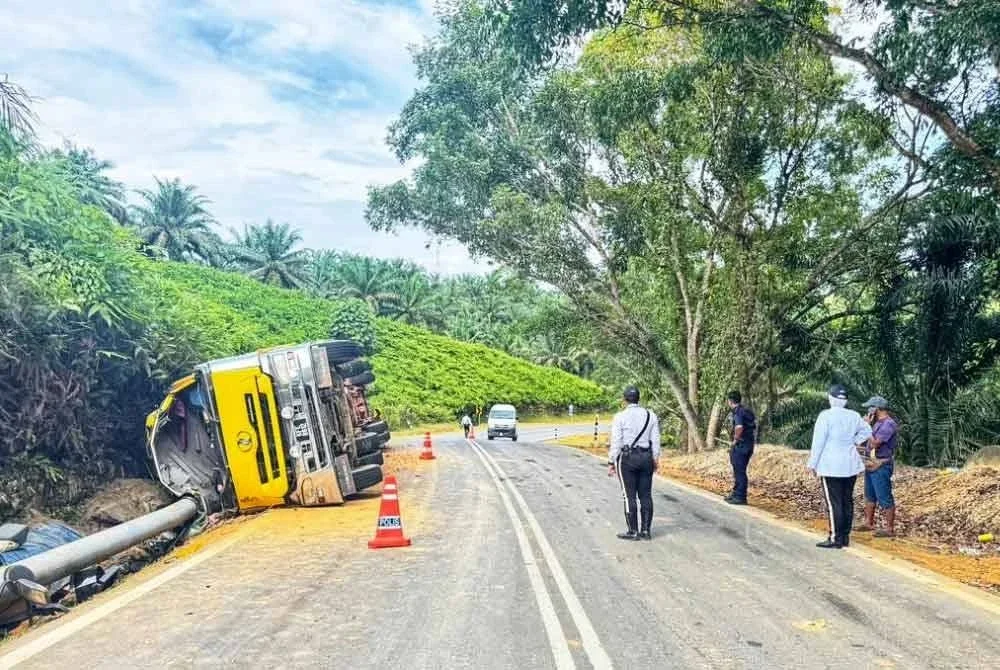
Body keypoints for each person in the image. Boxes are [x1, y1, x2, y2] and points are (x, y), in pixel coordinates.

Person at [807, 384, 872, 549]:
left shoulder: (826, 416)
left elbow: (818, 442)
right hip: (850, 463)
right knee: (846, 500)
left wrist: (812, 463)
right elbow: (867, 430)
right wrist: (854, 441)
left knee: (834, 502)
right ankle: (844, 537)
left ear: (831, 398)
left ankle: (835, 537)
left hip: (831, 465)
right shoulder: (854, 415)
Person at [607, 386, 661, 541]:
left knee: (629, 495)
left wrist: (611, 461)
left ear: (624, 400)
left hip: (628, 459)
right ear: (639, 398)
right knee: (646, 495)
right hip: (646, 457)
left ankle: (633, 531)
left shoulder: (620, 417)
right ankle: (646, 531)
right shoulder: (651, 415)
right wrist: (655, 458)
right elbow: (656, 440)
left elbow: (616, 441)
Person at [858, 395, 899, 537]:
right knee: (869, 494)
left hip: (882, 465)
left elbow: (875, 443)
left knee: (884, 495)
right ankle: (868, 522)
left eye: (871, 408)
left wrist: (866, 426)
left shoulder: (888, 424)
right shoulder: (877, 423)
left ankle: (889, 529)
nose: (869, 410)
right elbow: (869, 444)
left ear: (877, 409)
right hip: (872, 463)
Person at [725, 390, 756, 505]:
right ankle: (736, 493)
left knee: (739, 471)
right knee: (738, 470)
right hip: (748, 445)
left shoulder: (738, 412)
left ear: (730, 401)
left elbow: (739, 427)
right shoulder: (745, 411)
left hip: (741, 446)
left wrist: (734, 441)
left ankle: (740, 497)